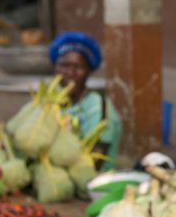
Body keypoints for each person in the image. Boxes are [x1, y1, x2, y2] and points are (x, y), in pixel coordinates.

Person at [49, 31, 123, 168]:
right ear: (55, 67)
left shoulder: (98, 108)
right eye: (64, 66)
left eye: (79, 67)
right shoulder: (50, 104)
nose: (71, 73)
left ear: (89, 71)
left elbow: (94, 163)